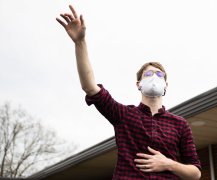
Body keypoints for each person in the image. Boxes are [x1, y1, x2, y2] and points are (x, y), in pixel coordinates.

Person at [56, 5, 201, 180]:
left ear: (166, 85)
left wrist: (168, 163)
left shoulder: (180, 124)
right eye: (148, 74)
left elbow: (195, 173)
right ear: (138, 84)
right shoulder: (124, 115)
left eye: (159, 74)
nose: (154, 77)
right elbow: (90, 87)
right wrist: (80, 43)